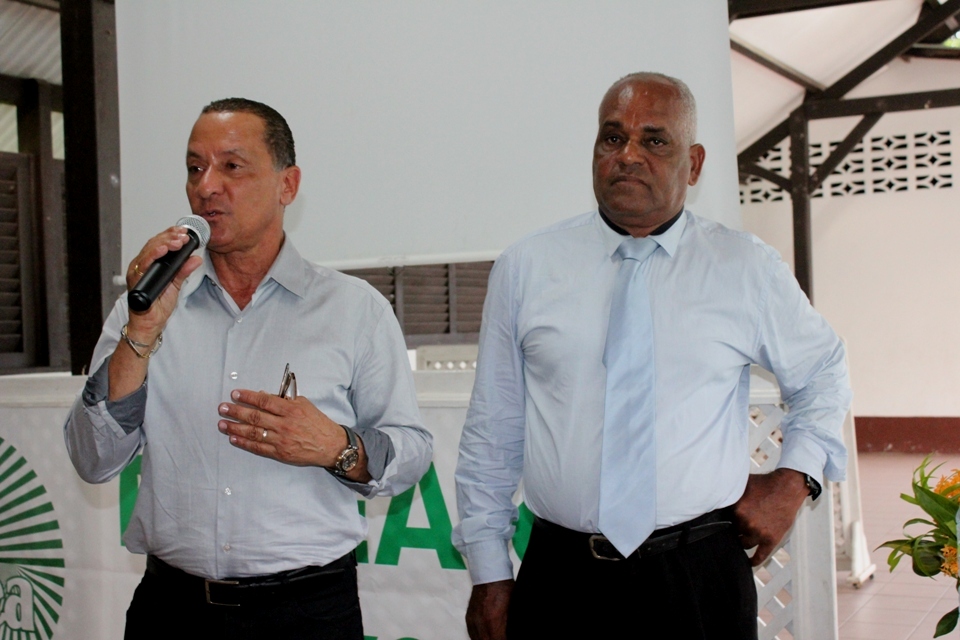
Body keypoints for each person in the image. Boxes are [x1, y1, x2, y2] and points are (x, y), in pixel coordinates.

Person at [453, 72, 851, 639]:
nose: (628, 155)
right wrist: (490, 573)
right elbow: (492, 431)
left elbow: (824, 371)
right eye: (613, 138)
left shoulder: (745, 268)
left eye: (654, 140)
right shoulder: (527, 268)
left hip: (698, 576)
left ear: (694, 164)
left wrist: (793, 481)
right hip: (562, 578)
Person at [64, 98, 433, 639]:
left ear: (288, 184)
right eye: (195, 168)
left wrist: (336, 446)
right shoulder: (144, 308)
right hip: (172, 610)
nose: (206, 186)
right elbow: (92, 459)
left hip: (307, 613)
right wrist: (140, 335)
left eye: (231, 166)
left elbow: (412, 450)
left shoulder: (355, 310)